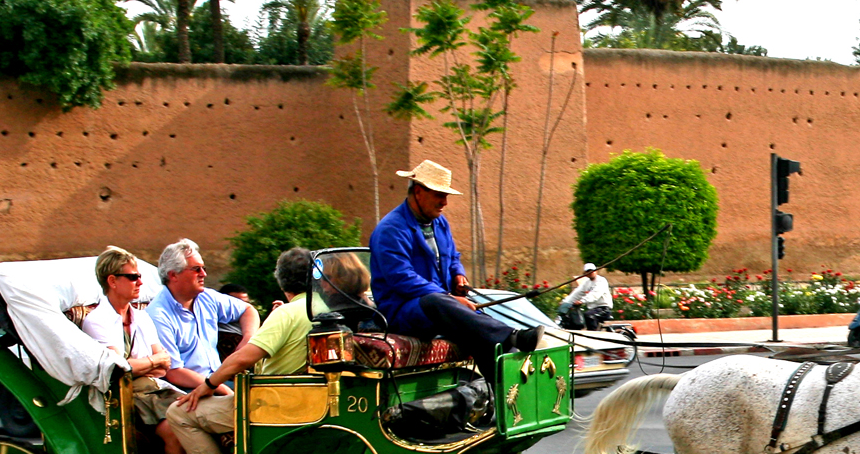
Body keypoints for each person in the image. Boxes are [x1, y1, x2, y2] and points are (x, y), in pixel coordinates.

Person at [370, 161, 540, 385]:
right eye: (440, 195)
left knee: (482, 335)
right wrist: (450, 299)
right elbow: (401, 277)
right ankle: (511, 334)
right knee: (434, 302)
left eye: (446, 195)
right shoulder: (391, 229)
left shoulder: (440, 223)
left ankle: (502, 393)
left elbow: (452, 257)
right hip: (402, 312)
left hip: (441, 307)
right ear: (419, 192)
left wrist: (458, 275)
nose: (445, 202)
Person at [79, 247, 203, 454]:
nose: (140, 282)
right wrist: (148, 363)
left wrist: (142, 365)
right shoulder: (97, 322)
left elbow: (163, 364)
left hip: (155, 388)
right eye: (133, 277)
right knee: (174, 427)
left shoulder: (142, 318)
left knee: (201, 412)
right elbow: (119, 370)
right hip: (124, 396)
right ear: (112, 281)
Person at [150, 238, 259, 454]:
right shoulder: (159, 313)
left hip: (216, 380)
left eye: (203, 268)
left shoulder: (207, 298)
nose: (204, 274)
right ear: (173, 275)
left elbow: (248, 310)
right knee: (178, 422)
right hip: (184, 389)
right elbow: (173, 371)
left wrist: (248, 337)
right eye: (196, 269)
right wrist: (221, 387)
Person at [205, 248, 333, 392]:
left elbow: (242, 360)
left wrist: (207, 386)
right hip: (316, 396)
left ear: (281, 281)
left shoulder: (286, 313)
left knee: (179, 411)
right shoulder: (329, 309)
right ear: (318, 278)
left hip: (273, 400)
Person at [561, 262, 613, 330]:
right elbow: (577, 293)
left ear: (596, 271)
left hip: (603, 309)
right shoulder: (586, 283)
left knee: (589, 315)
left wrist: (582, 301)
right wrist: (565, 302)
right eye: (588, 271)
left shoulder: (601, 280)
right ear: (585, 273)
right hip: (593, 309)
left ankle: (594, 336)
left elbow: (595, 294)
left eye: (592, 271)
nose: (590, 273)